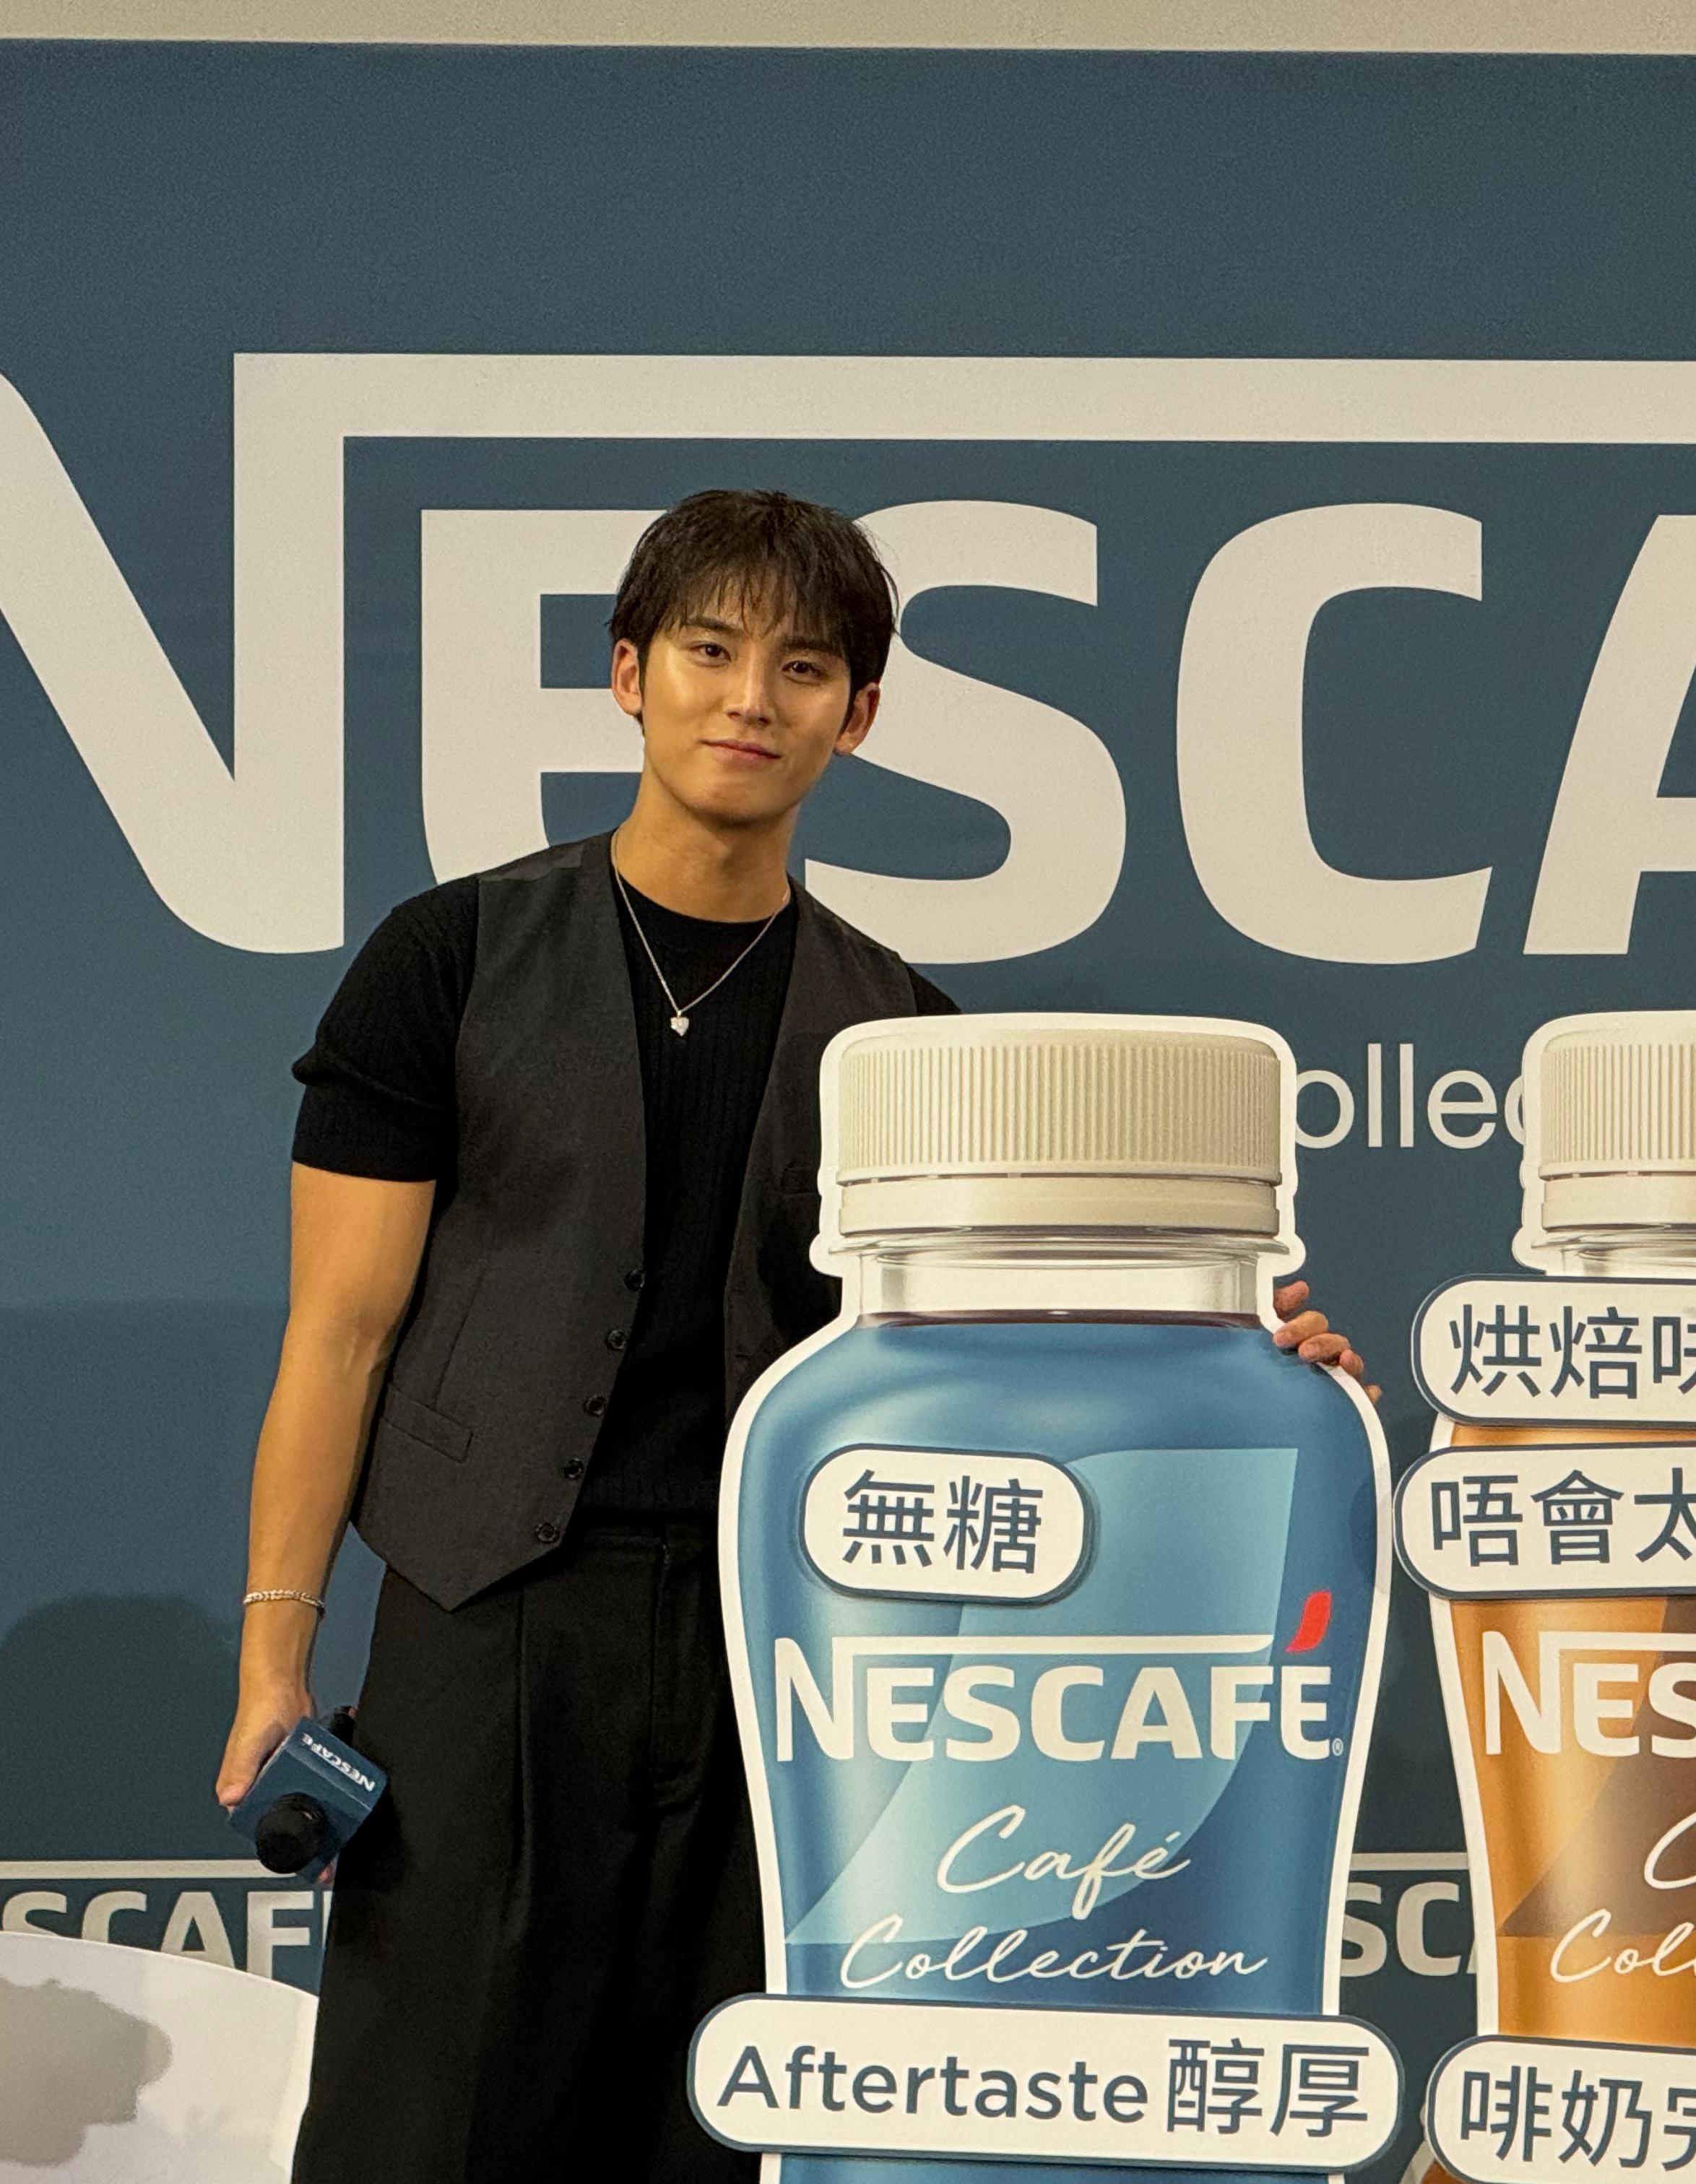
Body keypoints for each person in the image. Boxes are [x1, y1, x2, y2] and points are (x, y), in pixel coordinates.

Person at [211, 489, 1375, 2182]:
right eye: (710, 651)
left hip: (798, 1651)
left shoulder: (909, 1039)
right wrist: (274, 1656)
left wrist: (1245, 1358)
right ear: (629, 673)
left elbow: (1018, 1360)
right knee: (429, 2115)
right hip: (489, 1623)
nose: (752, 699)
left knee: (736, 2117)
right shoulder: (447, 958)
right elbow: (338, 1335)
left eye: (805, 668)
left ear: (860, 714)